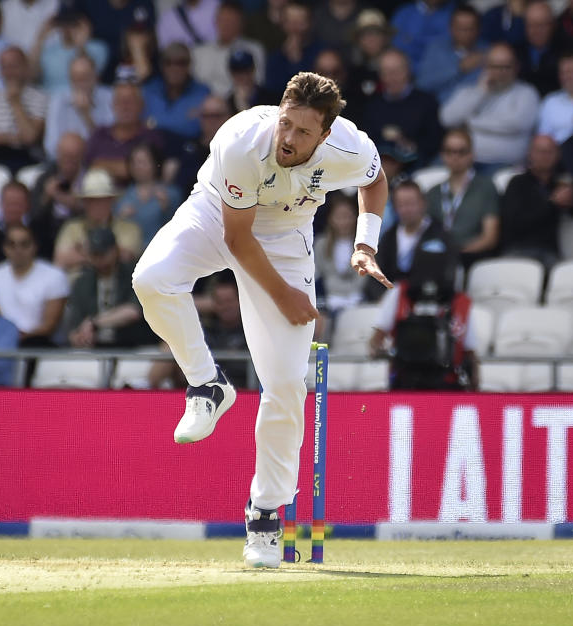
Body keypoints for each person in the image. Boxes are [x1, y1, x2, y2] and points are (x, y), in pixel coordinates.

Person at [131, 72, 392, 569]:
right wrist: (286, 296)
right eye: (286, 124)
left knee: (287, 384)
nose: (289, 139)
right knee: (152, 279)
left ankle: (265, 515)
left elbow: (375, 181)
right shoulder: (241, 140)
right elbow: (237, 239)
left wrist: (364, 244)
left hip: (288, 235)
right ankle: (207, 385)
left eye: (303, 132)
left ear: (326, 133)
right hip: (217, 214)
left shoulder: (351, 147)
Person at [370, 248, 478, 391]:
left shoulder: (461, 303)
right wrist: (384, 352)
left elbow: (470, 353)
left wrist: (475, 389)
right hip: (405, 381)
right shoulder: (399, 293)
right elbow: (376, 339)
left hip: (447, 384)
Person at [440, 42, 540, 170]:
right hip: (463, 163)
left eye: (506, 67)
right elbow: (446, 119)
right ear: (485, 67)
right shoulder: (471, 92)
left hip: (504, 165)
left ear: (516, 67)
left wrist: (470, 123)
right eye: (495, 67)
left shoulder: (526, 93)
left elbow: (517, 124)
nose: (501, 72)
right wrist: (480, 93)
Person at [365, 180, 456, 303]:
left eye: (411, 203)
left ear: (423, 203)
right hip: (392, 303)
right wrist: (383, 299)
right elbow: (375, 273)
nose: (406, 209)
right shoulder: (389, 237)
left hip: (428, 301)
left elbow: (448, 273)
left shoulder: (439, 234)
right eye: (401, 205)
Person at [424, 129, 500, 267]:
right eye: (449, 151)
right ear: (442, 155)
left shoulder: (486, 187)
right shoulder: (433, 192)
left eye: (461, 151)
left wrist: (458, 253)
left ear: (472, 154)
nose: (455, 156)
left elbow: (490, 238)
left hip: (473, 259)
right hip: (438, 260)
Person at [498, 134, 573, 269]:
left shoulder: (560, 183)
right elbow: (514, 223)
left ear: (558, 155)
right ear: (530, 154)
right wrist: (551, 203)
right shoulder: (517, 183)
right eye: (540, 151)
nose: (545, 156)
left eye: (550, 151)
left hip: (549, 253)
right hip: (518, 249)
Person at [65, 227, 150, 348]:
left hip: (131, 346)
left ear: (115, 250)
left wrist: (95, 322)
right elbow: (74, 325)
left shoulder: (134, 274)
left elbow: (133, 312)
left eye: (103, 254)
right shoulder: (82, 282)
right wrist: (78, 336)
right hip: (94, 347)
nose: (99, 259)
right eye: (94, 254)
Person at [0, 222, 69, 346]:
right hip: (0, 343)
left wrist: (21, 337)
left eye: (24, 244)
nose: (18, 250)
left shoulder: (54, 276)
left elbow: (49, 326)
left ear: (35, 246)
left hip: (38, 344)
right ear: (4, 248)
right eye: (12, 244)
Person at [361, 48, 442, 169]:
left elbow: (435, 142)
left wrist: (408, 144)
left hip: (417, 169)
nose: (392, 78)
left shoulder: (427, 102)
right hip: (378, 169)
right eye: (386, 72)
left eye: (397, 71)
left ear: (408, 71)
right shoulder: (372, 105)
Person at [0, 46, 49, 173]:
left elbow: (30, 137)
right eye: (4, 67)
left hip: (28, 160)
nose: (9, 72)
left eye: (14, 66)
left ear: (25, 67)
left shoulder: (40, 98)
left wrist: (15, 102)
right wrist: (14, 139)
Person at [54, 168, 142, 273]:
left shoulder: (129, 228)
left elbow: (126, 257)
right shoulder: (71, 227)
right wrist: (107, 253)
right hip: (78, 287)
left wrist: (82, 251)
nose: (97, 205)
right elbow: (60, 260)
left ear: (111, 201)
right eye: (91, 200)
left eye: (102, 200)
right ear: (84, 203)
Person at [84, 82, 164, 185]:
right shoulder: (100, 134)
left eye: (130, 102)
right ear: (112, 105)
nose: (125, 107)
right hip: (100, 198)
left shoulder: (151, 137)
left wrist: (102, 165)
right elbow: (90, 167)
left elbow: (147, 171)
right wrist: (127, 167)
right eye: (120, 102)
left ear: (141, 105)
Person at [43, 54, 113, 161]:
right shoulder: (58, 101)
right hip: (66, 163)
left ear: (96, 77)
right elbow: (50, 147)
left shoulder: (109, 97)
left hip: (100, 162)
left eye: (85, 77)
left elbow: (110, 145)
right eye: (76, 78)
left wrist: (86, 115)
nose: (80, 83)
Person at [191, 2, 266, 97]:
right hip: (204, 105)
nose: (226, 25)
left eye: (231, 21)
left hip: (238, 104)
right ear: (215, 21)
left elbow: (257, 83)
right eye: (223, 20)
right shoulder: (199, 52)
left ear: (241, 23)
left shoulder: (253, 50)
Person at [30, 132, 85, 257]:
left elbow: (94, 213)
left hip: (79, 237)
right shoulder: (44, 179)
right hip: (48, 237)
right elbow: (34, 217)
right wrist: (46, 196)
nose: (69, 161)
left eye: (74, 156)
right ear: (58, 155)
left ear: (82, 156)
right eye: (65, 156)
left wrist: (61, 198)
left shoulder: (89, 179)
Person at [416, 5, 487, 103]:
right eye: (461, 28)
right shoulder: (436, 49)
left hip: (478, 111)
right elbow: (423, 84)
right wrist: (459, 68)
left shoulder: (488, 51)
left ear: (479, 29)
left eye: (470, 28)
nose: (465, 33)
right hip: (439, 109)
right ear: (451, 28)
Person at [115, 143, 181, 247]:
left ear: (155, 164)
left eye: (142, 162)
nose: (137, 166)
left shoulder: (171, 194)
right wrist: (121, 218)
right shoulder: (123, 197)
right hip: (132, 255)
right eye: (134, 162)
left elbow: (180, 227)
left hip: (161, 251)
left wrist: (167, 209)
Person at [141, 43, 210, 140]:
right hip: (152, 148)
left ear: (189, 65)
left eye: (181, 63)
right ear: (161, 65)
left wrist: (157, 124)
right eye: (168, 62)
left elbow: (195, 129)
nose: (175, 68)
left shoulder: (203, 93)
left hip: (190, 148)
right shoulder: (148, 91)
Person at [33, 5, 108, 93]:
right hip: (50, 100)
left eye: (73, 23)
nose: (68, 27)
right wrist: (41, 37)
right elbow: (32, 76)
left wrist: (81, 44)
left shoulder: (99, 48)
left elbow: (89, 74)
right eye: (64, 22)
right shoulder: (49, 50)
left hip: (84, 98)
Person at [313, 195, 362, 315]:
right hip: (328, 301)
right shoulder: (321, 244)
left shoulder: (364, 245)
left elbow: (363, 279)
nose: (344, 222)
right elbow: (317, 274)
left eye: (348, 217)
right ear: (330, 219)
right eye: (339, 217)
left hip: (357, 300)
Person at [173, 95, 231, 197]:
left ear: (228, 117)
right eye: (206, 116)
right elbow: (182, 186)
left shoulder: (238, 149)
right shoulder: (189, 149)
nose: (211, 121)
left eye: (216, 115)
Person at [264, 3, 323, 95]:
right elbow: (272, 91)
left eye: (300, 23)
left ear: (310, 23)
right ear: (282, 24)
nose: (294, 28)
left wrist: (296, 62)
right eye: (290, 22)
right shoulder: (274, 57)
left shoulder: (322, 54)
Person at [537, 53, 573, 145]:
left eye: (572, 71)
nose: (567, 77)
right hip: (561, 156)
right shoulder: (550, 102)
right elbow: (543, 138)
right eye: (563, 72)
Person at [390, 0, 453, 70]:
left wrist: (412, 39)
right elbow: (396, 44)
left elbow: (446, 44)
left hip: (438, 69)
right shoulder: (404, 12)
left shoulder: (452, 13)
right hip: (405, 69)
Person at [516, 1, 561, 97]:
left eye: (542, 25)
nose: (537, 30)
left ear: (553, 25)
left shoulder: (565, 52)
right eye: (531, 25)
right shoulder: (515, 52)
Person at [225, 50, 279, 116]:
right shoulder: (228, 103)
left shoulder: (270, 98)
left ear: (253, 70)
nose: (242, 76)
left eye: (245, 71)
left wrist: (243, 104)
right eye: (237, 72)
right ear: (231, 73)